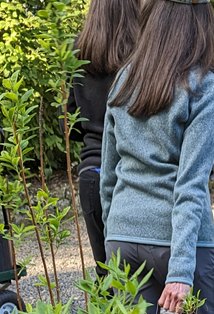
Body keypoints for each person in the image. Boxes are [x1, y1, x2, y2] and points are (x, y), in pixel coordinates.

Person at [100, 0, 214, 314]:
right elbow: (190, 185)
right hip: (178, 244)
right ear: (203, 28)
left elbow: (107, 176)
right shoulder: (204, 87)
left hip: (123, 239)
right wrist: (182, 271)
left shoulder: (123, 81)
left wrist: (112, 239)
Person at [66, 0, 139, 280]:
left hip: (92, 173)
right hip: (131, 176)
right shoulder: (142, 51)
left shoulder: (77, 50)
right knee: (142, 285)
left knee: (108, 279)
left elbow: (70, 123)